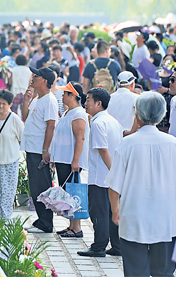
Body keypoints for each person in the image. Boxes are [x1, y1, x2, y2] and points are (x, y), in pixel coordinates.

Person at [106, 92, 176, 277]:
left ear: (137, 115)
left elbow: (114, 186)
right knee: (164, 275)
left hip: (134, 218)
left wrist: (115, 210)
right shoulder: (173, 144)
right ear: (162, 115)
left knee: (136, 274)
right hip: (167, 220)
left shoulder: (127, 144)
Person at [77, 88, 123, 257]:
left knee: (99, 213)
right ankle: (117, 246)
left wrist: (112, 171)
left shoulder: (98, 123)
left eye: (88, 100)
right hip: (112, 178)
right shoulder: (113, 121)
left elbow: (103, 150)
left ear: (98, 103)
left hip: (100, 177)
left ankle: (99, 247)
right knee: (112, 211)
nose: (86, 103)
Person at [21, 67, 59, 233]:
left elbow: (51, 125)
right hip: (32, 148)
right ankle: (41, 220)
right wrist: (26, 100)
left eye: (36, 76)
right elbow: (25, 118)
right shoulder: (38, 98)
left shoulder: (49, 100)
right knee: (35, 186)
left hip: (39, 150)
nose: (33, 78)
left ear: (44, 81)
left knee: (41, 186)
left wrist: (46, 149)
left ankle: (46, 223)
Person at [50, 82, 89, 238]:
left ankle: (77, 227)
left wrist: (76, 160)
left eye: (65, 93)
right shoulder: (68, 112)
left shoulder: (78, 114)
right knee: (67, 192)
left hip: (70, 160)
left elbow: (80, 139)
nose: (62, 96)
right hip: (63, 158)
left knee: (73, 193)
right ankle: (71, 225)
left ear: (73, 95)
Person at [0, 89, 24, 222]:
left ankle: (6, 218)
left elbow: (21, 138)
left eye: (4, 103)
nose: (1, 106)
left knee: (8, 192)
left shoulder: (14, 119)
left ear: (10, 105)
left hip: (10, 161)